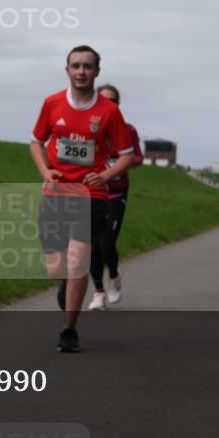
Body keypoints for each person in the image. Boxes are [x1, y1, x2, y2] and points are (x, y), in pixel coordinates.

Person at [31, 46, 134, 352]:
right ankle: (63, 281)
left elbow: (126, 156)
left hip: (91, 195)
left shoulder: (109, 111)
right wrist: (45, 171)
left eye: (87, 66)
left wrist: (105, 175)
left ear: (97, 71)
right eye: (75, 66)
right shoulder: (52, 103)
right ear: (67, 71)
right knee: (55, 266)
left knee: (79, 261)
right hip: (56, 192)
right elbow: (36, 142)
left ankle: (69, 328)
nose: (81, 71)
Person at [87, 84, 143, 310]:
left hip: (117, 192)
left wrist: (121, 162)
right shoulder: (88, 128)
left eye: (112, 101)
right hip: (92, 192)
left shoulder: (128, 130)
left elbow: (137, 158)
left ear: (117, 106)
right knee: (91, 245)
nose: (107, 105)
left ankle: (114, 274)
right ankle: (99, 292)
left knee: (107, 244)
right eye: (103, 100)